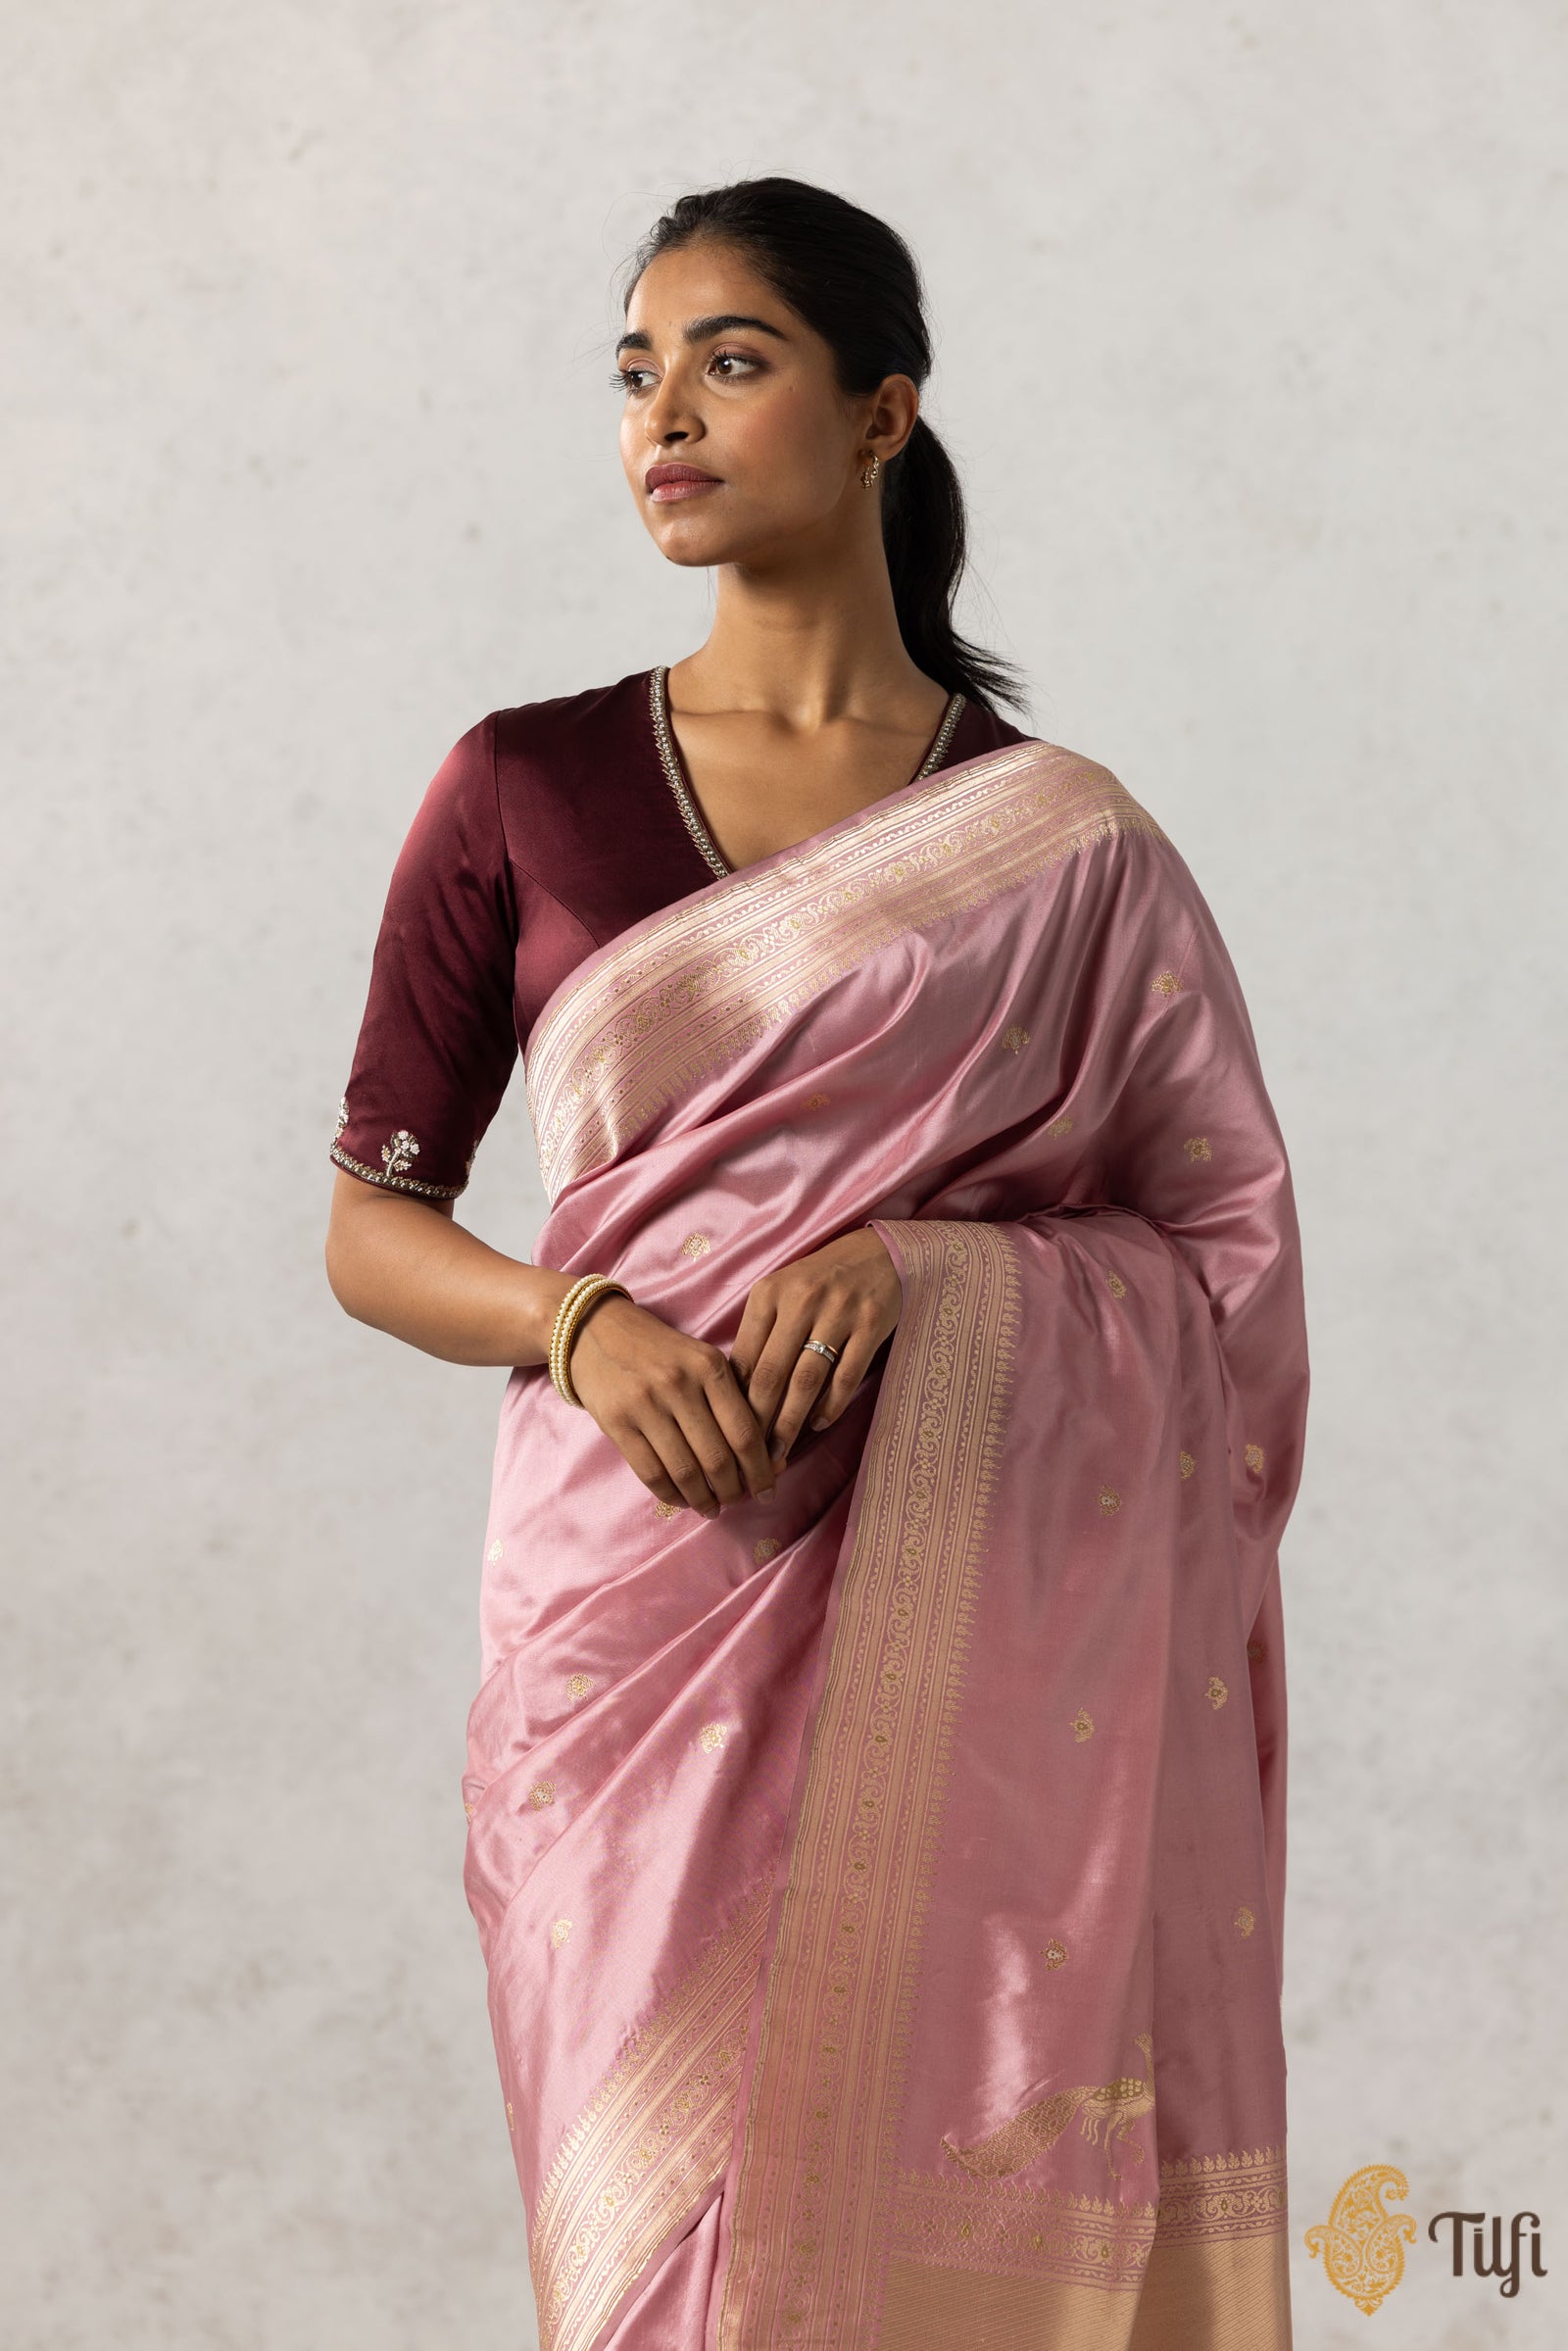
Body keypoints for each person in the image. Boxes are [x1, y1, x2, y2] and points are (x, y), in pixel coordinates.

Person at [324, 176, 1308, 2351]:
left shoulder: (1065, 848)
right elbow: (370, 1229)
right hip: (621, 1626)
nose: (661, 414)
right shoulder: (519, 786)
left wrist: (937, 1279)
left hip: (965, 1641)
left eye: (730, 359)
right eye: (634, 371)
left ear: (883, 413)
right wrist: (575, 1322)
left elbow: (1218, 1266)